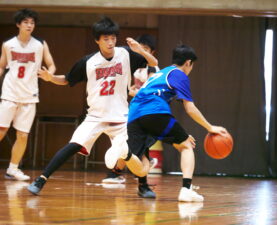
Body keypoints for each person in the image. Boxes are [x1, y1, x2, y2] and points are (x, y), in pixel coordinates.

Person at [27, 16, 158, 195]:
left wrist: (140, 51)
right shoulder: (88, 62)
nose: (111, 42)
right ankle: (41, 180)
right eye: (106, 39)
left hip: (121, 116)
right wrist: (51, 79)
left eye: (113, 38)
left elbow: (153, 63)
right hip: (95, 116)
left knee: (140, 146)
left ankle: (143, 186)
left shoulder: (126, 53)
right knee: (72, 145)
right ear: (97, 40)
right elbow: (67, 79)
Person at [127, 44, 227, 202]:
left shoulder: (160, 73)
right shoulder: (179, 74)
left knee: (141, 164)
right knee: (186, 145)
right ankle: (186, 190)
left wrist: (180, 135)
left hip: (133, 115)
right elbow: (190, 108)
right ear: (188, 63)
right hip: (154, 111)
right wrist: (210, 127)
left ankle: (123, 155)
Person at [0, 8, 56, 181]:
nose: (29, 25)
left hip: (29, 95)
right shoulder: (8, 44)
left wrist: (49, 75)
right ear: (18, 24)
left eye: (32, 22)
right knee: (1, 129)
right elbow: (2, 65)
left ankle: (13, 168)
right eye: (26, 22)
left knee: (23, 134)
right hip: (10, 92)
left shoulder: (40, 44)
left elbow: (52, 65)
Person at [102, 34, 159, 186]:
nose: (140, 50)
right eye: (139, 47)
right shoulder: (132, 64)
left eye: (145, 49)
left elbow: (149, 91)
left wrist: (134, 92)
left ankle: (116, 173)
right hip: (133, 109)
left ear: (151, 52)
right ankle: (140, 168)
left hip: (149, 111)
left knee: (131, 142)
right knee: (128, 142)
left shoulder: (152, 67)